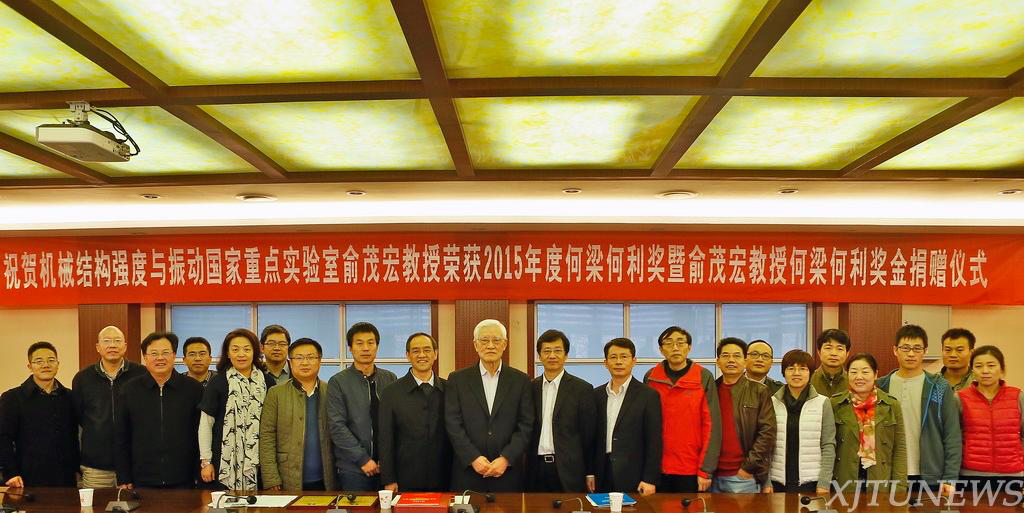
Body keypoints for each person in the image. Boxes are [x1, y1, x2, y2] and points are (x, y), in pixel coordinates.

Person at [445, 319, 534, 492]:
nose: (490, 346)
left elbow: (526, 424)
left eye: (496, 340)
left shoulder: (521, 380)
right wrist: (473, 458)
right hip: (468, 472)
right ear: (475, 345)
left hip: (508, 473)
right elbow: (453, 423)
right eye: (484, 340)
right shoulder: (457, 380)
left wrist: (506, 458)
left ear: (505, 344)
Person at [877, 325, 960, 497]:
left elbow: (952, 435)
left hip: (930, 475)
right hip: (889, 473)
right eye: (905, 348)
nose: (911, 354)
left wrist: (950, 477)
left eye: (917, 348)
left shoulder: (939, 387)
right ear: (895, 350)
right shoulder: (881, 386)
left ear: (925, 351)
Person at [114, 331, 203, 489]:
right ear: (145, 357)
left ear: (174, 355)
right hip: (141, 479)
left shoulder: (193, 389)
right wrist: (123, 476)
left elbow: (201, 434)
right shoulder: (129, 390)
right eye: (154, 353)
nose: (160, 358)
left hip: (185, 478)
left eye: (165, 353)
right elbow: (121, 436)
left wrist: (199, 471)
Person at [643, 326, 720, 493]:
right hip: (657, 467)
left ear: (689, 347)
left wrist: (706, 470)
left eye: (680, 342)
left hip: (691, 468)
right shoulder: (651, 377)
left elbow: (712, 425)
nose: (675, 347)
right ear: (661, 350)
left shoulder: (703, 376)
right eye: (669, 343)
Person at [199, 329, 277, 491]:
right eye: (235, 349)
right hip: (224, 460)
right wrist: (206, 462)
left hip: (260, 461)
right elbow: (206, 424)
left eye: (247, 349)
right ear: (228, 353)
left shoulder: (268, 382)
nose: (241, 354)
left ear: (255, 352)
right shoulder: (218, 382)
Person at [71, 325, 146, 488]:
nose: (112, 345)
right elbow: (79, 417)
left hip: (135, 464)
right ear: (98, 347)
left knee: (134, 503)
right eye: (107, 341)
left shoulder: (141, 374)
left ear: (125, 346)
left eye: (117, 341)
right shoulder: (82, 378)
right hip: (96, 466)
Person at [327, 322, 398, 491]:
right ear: (350, 348)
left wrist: (389, 461)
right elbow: (337, 426)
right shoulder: (338, 382)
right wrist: (362, 459)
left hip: (387, 468)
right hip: (353, 469)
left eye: (370, 343)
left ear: (377, 346)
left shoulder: (390, 379)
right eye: (359, 343)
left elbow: (396, 422)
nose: (366, 348)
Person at [260, 338, 336, 491]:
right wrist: (271, 478)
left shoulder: (332, 391)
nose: (305, 362)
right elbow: (267, 436)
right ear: (290, 362)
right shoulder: (276, 393)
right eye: (299, 358)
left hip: (328, 478)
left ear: (320, 361)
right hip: (287, 477)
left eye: (311, 357)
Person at [379, 333, 451, 492]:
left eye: (427, 350)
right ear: (408, 355)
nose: (422, 355)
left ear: (435, 354)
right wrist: (389, 479)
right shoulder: (391, 392)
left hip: (445, 477)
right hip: (405, 478)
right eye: (416, 351)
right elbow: (385, 439)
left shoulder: (450, 389)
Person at [0, 341, 78, 487]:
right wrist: (10, 472)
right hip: (27, 476)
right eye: (39, 361)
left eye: (51, 360)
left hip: (66, 476)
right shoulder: (13, 398)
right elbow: (3, 437)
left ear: (58, 364)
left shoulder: (69, 397)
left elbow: (74, 435)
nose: (45, 365)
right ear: (30, 366)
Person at [589, 338, 661, 496]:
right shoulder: (596, 395)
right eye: (613, 357)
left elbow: (654, 440)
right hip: (601, 471)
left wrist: (649, 478)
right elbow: (591, 437)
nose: (618, 362)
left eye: (624, 357)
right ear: (605, 363)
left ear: (634, 361)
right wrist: (590, 472)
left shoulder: (648, 395)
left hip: (634, 474)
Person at [528, 329, 597, 493]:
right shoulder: (530, 388)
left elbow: (589, 435)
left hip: (569, 470)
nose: (552, 356)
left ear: (566, 355)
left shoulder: (582, 389)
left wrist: (590, 471)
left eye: (557, 351)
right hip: (534, 468)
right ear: (539, 356)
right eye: (547, 351)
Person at [831, 353, 908, 493]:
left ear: (875, 374)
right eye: (854, 372)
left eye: (865, 372)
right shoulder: (835, 404)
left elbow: (900, 448)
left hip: (880, 479)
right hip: (844, 481)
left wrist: (900, 487)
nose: (859, 377)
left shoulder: (891, 404)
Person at [764, 350, 835, 495]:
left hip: (812, 482)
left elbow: (828, 445)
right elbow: (765, 445)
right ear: (784, 373)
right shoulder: (771, 403)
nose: (796, 373)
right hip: (777, 483)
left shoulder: (823, 402)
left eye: (803, 368)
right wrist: (766, 481)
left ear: (810, 373)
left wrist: (824, 482)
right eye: (791, 368)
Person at [712, 337, 776, 493]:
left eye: (736, 356)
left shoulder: (759, 391)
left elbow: (767, 432)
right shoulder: (710, 390)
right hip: (711, 475)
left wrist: (748, 467)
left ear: (745, 361)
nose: (731, 360)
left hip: (742, 477)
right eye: (725, 356)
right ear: (718, 361)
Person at [957, 345, 1024, 487]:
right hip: (971, 474)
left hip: (1012, 475)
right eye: (979, 366)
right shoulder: (960, 398)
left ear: (1002, 369)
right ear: (972, 370)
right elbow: (954, 437)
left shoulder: (1018, 396)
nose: (985, 371)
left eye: (991, 365)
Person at [811, 329, 851, 397]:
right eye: (828, 348)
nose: (833, 353)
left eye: (839, 349)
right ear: (819, 352)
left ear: (847, 353)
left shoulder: (853, 380)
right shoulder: (808, 379)